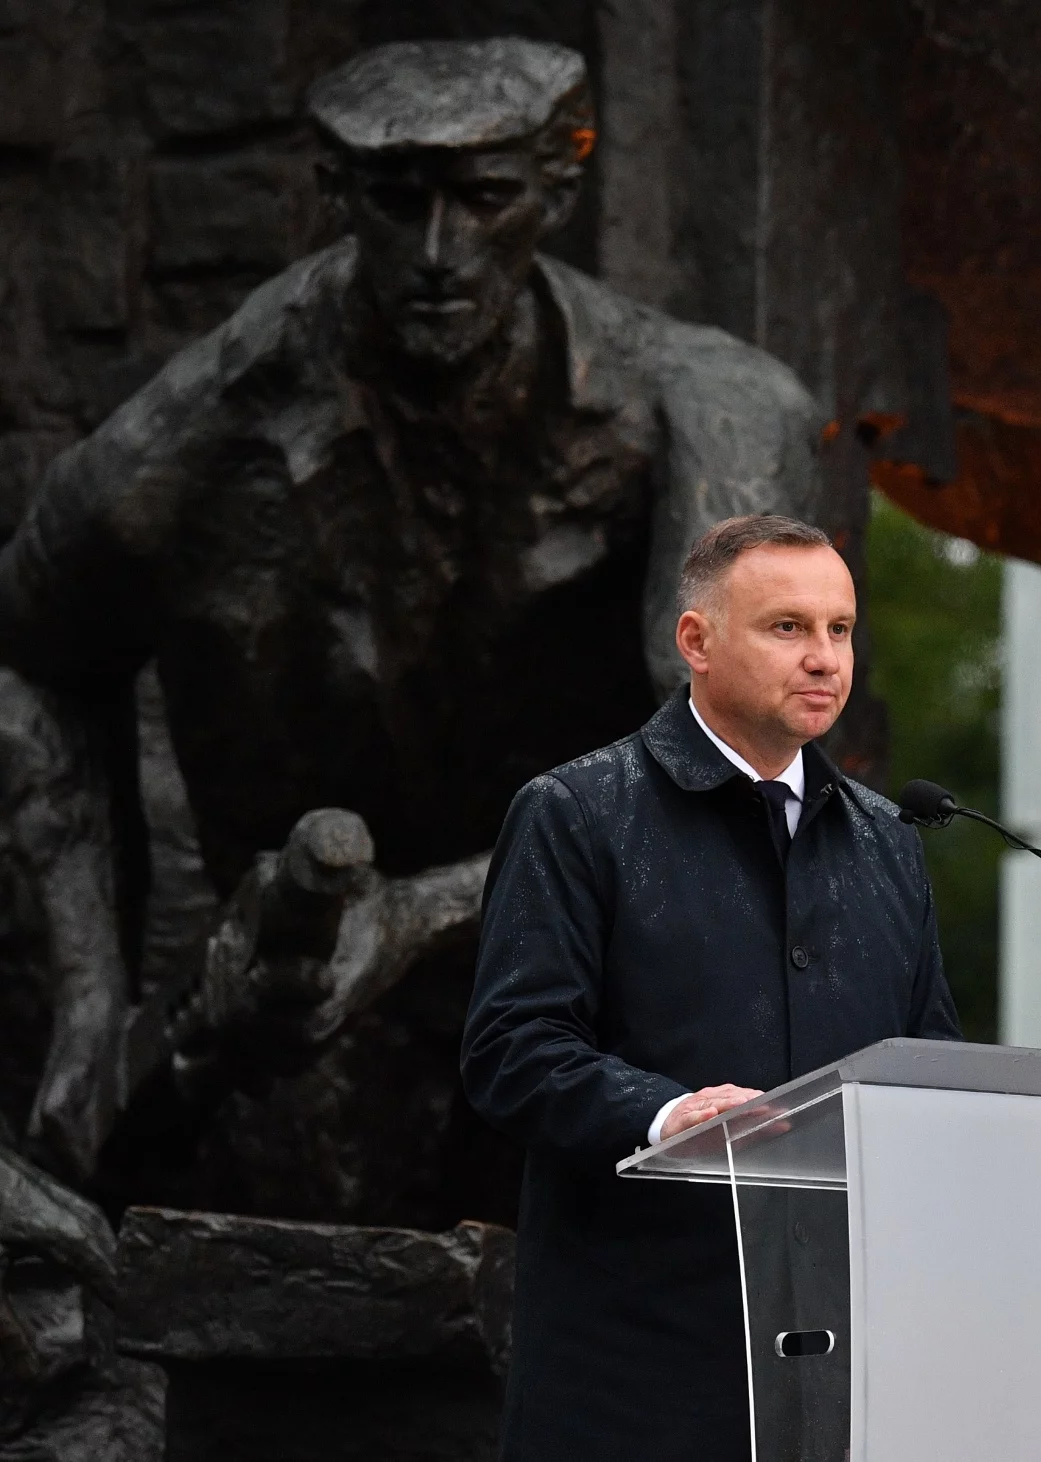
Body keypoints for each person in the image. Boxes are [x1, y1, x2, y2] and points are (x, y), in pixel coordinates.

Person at [0, 37, 827, 1208]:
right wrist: (91, 1003)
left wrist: (420, 917)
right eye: (396, 204)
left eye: (482, 202)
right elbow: (27, 659)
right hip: (293, 1002)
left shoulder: (710, 408)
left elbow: (734, 767)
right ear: (334, 199)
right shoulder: (205, 421)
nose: (438, 255)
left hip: (606, 981)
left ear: (557, 189)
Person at [460, 514, 959, 1462]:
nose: (823, 658)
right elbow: (510, 1050)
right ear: (696, 641)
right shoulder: (578, 814)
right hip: (639, 1372)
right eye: (787, 628)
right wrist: (666, 1112)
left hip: (847, 1367)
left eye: (840, 630)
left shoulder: (890, 840)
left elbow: (927, 1074)